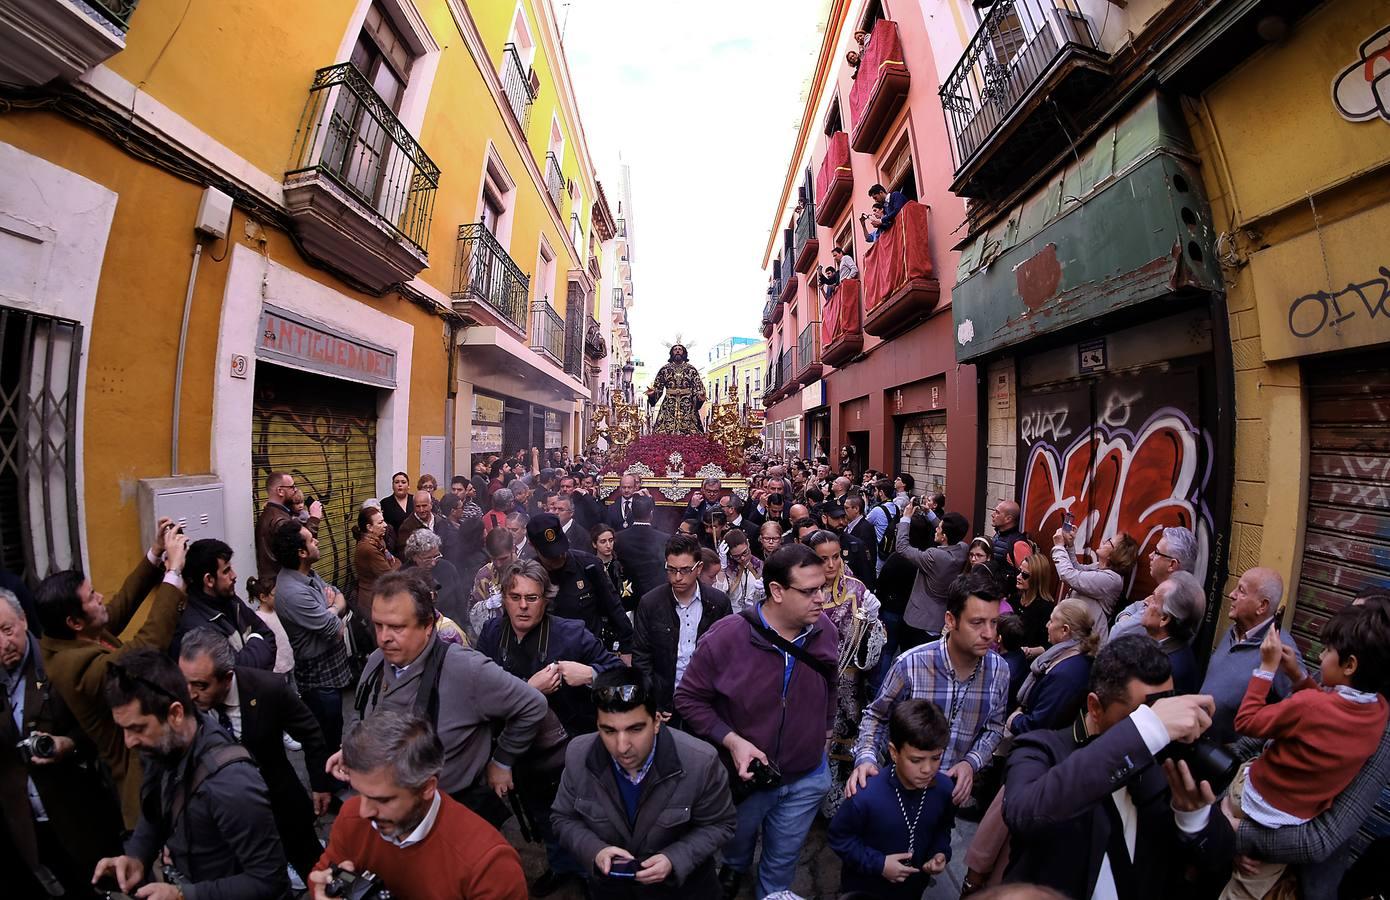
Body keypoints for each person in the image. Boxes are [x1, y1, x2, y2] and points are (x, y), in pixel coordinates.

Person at [1000, 635, 1231, 898]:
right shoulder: (1041, 749)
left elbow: (1218, 861)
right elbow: (1025, 813)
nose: (1159, 726)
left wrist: (1194, 817)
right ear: (1095, 707)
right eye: (1142, 715)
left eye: (1162, 708)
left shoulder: (1163, 765)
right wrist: (1144, 731)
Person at [674, 544, 839, 900]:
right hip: (747, 781)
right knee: (736, 841)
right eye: (809, 591)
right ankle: (733, 868)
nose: (821, 599)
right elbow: (688, 698)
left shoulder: (824, 630)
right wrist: (731, 740)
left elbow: (831, 679)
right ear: (777, 591)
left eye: (822, 588)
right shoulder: (728, 636)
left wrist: (825, 731)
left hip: (806, 776)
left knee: (782, 861)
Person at [345, 568, 547, 826]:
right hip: (388, 816)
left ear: (428, 626)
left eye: (397, 627)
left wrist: (503, 760)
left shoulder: (465, 669)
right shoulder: (375, 661)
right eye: (378, 625)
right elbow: (360, 714)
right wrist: (354, 750)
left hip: (450, 817)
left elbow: (532, 704)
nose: (384, 638)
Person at [1219, 603, 1390, 900]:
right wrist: (1299, 677)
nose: (1320, 655)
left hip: (1262, 821)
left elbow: (1248, 722)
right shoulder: (1376, 709)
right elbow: (1323, 715)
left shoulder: (1314, 705)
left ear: (1351, 664)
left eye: (1327, 649)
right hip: (1281, 814)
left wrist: (1266, 670)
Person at [475, 559, 621, 894]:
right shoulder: (492, 633)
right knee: (546, 819)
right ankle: (562, 868)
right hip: (522, 756)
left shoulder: (570, 632)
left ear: (547, 599)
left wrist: (591, 675)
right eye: (515, 597)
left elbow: (621, 674)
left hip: (572, 753)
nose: (523, 607)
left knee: (587, 821)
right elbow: (480, 695)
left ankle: (593, 877)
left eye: (532, 598)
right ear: (503, 597)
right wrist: (530, 689)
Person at [95, 648, 288, 899]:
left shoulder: (232, 785)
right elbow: (156, 809)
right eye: (123, 729)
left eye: (137, 728)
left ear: (175, 713)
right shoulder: (160, 743)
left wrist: (184, 895)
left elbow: (269, 881)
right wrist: (137, 856)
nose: (129, 741)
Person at [36, 519, 188, 828]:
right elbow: (146, 649)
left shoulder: (73, 636)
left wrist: (155, 553)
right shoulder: (73, 667)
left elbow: (118, 607)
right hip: (144, 782)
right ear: (74, 622)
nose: (100, 597)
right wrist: (173, 574)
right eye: (92, 596)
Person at [551, 672, 739, 898]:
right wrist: (594, 851)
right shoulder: (577, 754)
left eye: (635, 729)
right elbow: (563, 818)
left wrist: (675, 858)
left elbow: (720, 824)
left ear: (657, 721)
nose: (622, 747)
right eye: (609, 731)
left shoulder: (701, 762)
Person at [311, 711, 528, 900]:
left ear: (427, 788)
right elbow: (322, 872)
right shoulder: (351, 817)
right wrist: (322, 889)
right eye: (359, 792)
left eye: (383, 799)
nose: (363, 811)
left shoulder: (489, 866)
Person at [177, 627, 334, 882]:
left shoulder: (268, 689)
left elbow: (311, 732)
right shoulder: (183, 704)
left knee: (314, 869)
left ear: (227, 678)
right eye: (184, 683)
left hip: (281, 803)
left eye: (200, 685)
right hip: (229, 820)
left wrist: (320, 784)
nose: (190, 694)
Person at [851, 572, 1008, 815]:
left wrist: (971, 762)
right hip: (898, 794)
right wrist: (866, 759)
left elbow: (995, 727)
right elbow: (877, 716)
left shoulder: (999, 671)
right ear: (951, 620)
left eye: (994, 622)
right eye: (977, 623)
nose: (989, 634)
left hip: (947, 799)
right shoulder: (911, 665)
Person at [0, 588, 122, 898]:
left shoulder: (58, 664)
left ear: (24, 620)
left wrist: (67, 744)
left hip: (80, 817)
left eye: (6, 630)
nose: (3, 644)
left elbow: (102, 727)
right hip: (28, 829)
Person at [829, 700, 953, 900]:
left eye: (936, 758)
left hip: (912, 890)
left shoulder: (944, 789)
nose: (928, 769)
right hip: (864, 890)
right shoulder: (866, 795)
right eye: (916, 760)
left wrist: (940, 852)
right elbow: (839, 838)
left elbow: (943, 828)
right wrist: (879, 864)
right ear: (894, 753)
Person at [805, 530, 884, 817]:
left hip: (847, 684)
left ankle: (840, 803)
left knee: (844, 738)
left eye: (835, 557)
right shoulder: (800, 588)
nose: (831, 565)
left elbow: (870, 650)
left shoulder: (856, 590)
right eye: (822, 559)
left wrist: (872, 625)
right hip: (809, 679)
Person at [632, 533, 732, 724]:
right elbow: (642, 658)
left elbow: (728, 656)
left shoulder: (718, 604)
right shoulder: (650, 603)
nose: (678, 577)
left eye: (685, 570)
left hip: (706, 702)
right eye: (671, 570)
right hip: (665, 705)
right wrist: (651, 702)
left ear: (699, 568)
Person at [1200, 566, 1300, 746]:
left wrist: (1244, 749)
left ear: (1262, 606)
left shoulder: (1280, 649)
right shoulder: (1235, 629)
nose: (1231, 594)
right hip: (1200, 745)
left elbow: (1296, 713)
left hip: (1226, 762)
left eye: (1241, 591)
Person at [530, 513, 635, 656]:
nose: (558, 557)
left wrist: (627, 649)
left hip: (587, 651)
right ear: (533, 547)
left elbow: (614, 607)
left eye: (560, 550)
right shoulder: (528, 574)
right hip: (548, 653)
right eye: (551, 555)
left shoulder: (588, 566)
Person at [170, 538, 277, 670]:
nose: (234, 575)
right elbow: (238, 671)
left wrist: (248, 654)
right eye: (226, 571)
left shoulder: (232, 602)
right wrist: (256, 639)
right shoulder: (197, 629)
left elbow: (268, 636)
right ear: (209, 580)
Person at [1006, 599, 1098, 737]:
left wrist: (1014, 719)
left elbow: (1038, 726)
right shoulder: (1076, 657)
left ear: (1065, 630)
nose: (1047, 625)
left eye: (1051, 621)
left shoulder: (1065, 675)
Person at [870, 509, 935, 698]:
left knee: (887, 650)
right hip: (914, 613)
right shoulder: (928, 557)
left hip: (892, 610)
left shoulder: (898, 558)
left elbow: (882, 583)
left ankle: (877, 689)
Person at [895, 503, 971, 649]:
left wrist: (905, 519)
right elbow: (950, 533)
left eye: (939, 528)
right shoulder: (962, 549)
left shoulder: (935, 556)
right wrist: (930, 513)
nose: (936, 528)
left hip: (918, 621)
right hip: (937, 620)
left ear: (944, 536)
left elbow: (902, 548)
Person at [1051, 528, 1139, 643]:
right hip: (1077, 637)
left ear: (1116, 553)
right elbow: (1077, 570)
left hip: (1087, 646)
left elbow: (1069, 576)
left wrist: (1058, 547)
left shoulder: (1112, 580)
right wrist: (1070, 545)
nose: (1103, 541)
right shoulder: (1099, 567)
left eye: (1109, 541)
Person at [1110, 526, 1198, 640]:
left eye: (1157, 552)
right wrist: (1126, 616)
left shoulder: (1167, 600)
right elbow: (1136, 606)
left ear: (1172, 564)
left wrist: (1125, 619)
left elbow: (1116, 634)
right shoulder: (1173, 593)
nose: (1150, 556)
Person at [1139, 571, 1206, 693]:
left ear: (1164, 618)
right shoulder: (1163, 649)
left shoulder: (1165, 669)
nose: (1146, 601)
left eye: (1154, 598)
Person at [256, 471, 323, 580]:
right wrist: (314, 518)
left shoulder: (273, 513)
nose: (295, 490)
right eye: (292, 487)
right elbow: (303, 549)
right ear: (280, 491)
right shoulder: (279, 520)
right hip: (277, 585)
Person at [402, 528, 468, 627]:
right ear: (414, 556)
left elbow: (460, 604)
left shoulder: (448, 568)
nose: (433, 563)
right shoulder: (403, 577)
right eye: (428, 558)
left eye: (436, 556)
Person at [615, 496, 672, 601]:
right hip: (656, 594)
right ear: (651, 513)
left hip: (627, 593)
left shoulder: (618, 538)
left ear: (631, 511)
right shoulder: (664, 538)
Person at [646, 344, 707, 435]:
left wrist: (700, 397)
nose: (677, 351)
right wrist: (652, 394)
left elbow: (697, 387)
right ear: (671, 353)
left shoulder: (691, 369)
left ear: (684, 353)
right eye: (675, 349)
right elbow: (658, 387)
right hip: (669, 403)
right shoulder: (665, 369)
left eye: (680, 349)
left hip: (687, 404)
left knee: (692, 433)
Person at [353, 505, 400, 617]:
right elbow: (390, 575)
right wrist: (395, 564)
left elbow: (395, 562)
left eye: (383, 521)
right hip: (372, 601)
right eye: (380, 523)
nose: (385, 525)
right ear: (369, 527)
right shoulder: (369, 548)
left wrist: (395, 563)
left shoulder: (378, 541)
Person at [1012, 551, 1057, 658]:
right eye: (1019, 571)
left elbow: (1049, 645)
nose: (1018, 577)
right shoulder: (1014, 598)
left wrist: (1029, 651)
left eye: (1025, 575)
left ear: (1037, 579)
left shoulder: (1046, 608)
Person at [988, 501, 1027, 596]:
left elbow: (1028, 576)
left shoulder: (1018, 544)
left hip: (1008, 598)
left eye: (997, 512)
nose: (992, 515)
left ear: (1008, 519)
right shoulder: (998, 535)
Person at [723, 528, 765, 613]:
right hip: (731, 613)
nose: (742, 558)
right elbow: (721, 594)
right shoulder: (726, 568)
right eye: (736, 556)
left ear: (748, 543)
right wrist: (721, 569)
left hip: (754, 612)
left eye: (745, 552)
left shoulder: (760, 565)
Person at [380, 471, 414, 541]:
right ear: (392, 486)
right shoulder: (385, 503)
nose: (400, 485)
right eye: (397, 482)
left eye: (403, 482)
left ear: (408, 486)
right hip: (395, 543)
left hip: (415, 542)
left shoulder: (415, 500)